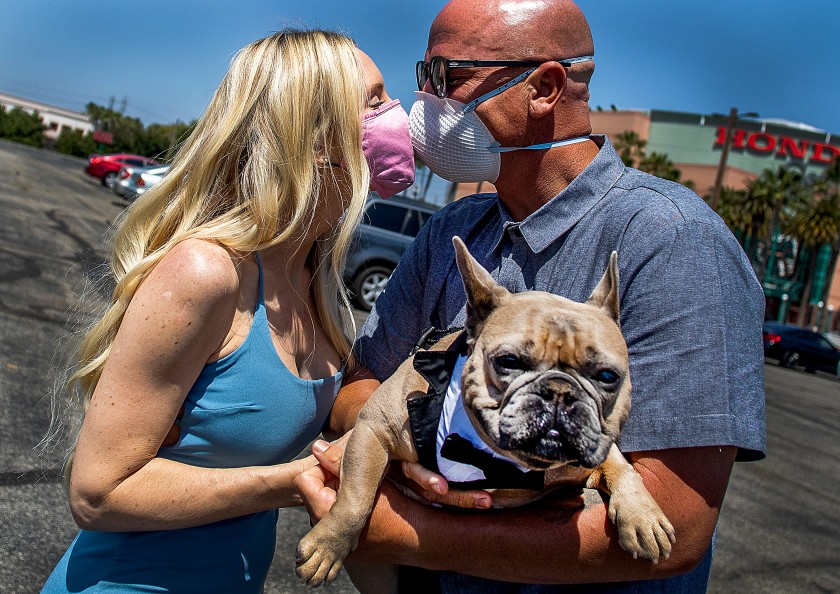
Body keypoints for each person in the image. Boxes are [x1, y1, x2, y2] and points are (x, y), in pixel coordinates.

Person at [296, 1, 766, 592]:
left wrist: (415, 531)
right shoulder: (452, 231)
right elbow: (360, 390)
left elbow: (677, 524)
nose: (428, 104)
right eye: (424, 77)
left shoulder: (673, 241)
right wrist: (419, 453)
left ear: (543, 87)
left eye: (448, 77)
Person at [42, 29, 415, 593]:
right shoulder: (206, 272)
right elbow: (97, 493)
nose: (397, 115)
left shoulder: (311, 278)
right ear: (316, 137)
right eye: (374, 100)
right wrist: (292, 482)